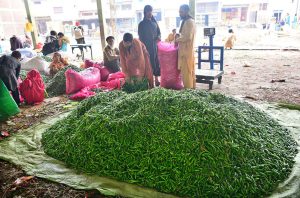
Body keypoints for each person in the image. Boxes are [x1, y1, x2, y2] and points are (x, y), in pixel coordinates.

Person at [138, 5, 161, 86]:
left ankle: (156, 79)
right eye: (148, 11)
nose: (150, 13)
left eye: (151, 11)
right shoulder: (141, 24)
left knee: (156, 62)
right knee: (149, 64)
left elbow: (159, 33)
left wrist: (158, 37)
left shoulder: (154, 22)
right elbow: (140, 38)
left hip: (155, 46)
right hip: (147, 47)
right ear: (145, 12)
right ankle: (150, 82)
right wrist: (143, 49)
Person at [175, 4, 196, 89]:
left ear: (186, 12)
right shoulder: (187, 21)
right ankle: (192, 89)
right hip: (186, 51)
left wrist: (177, 40)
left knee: (187, 73)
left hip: (186, 52)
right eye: (179, 12)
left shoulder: (189, 22)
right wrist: (178, 35)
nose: (180, 14)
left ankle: (189, 91)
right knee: (190, 72)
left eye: (181, 12)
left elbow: (188, 37)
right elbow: (184, 34)